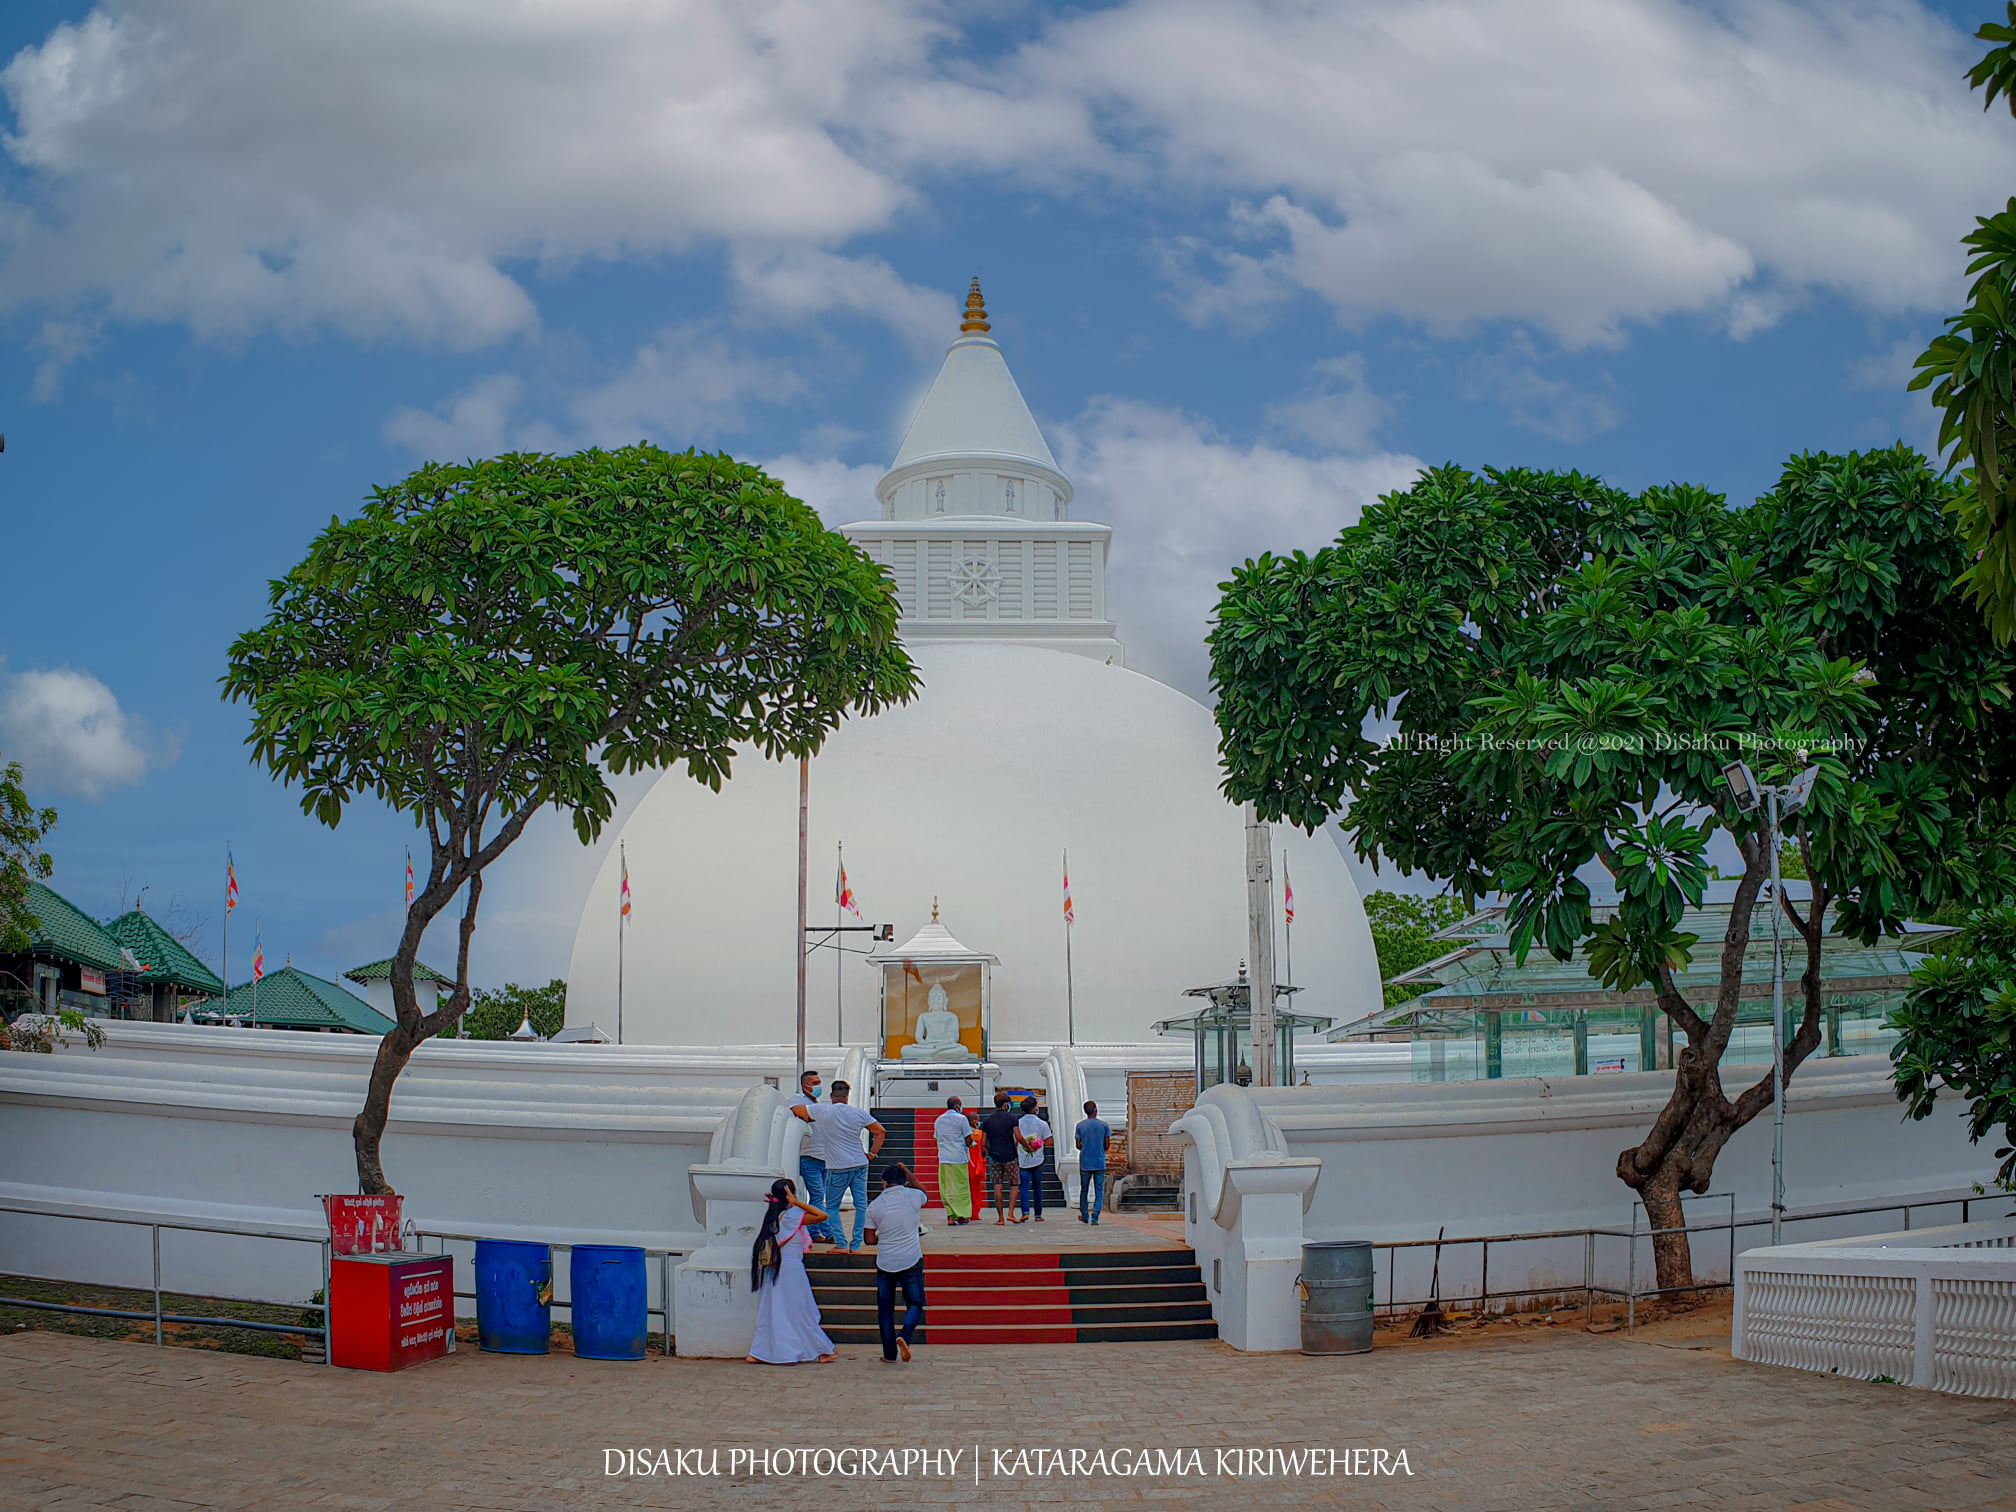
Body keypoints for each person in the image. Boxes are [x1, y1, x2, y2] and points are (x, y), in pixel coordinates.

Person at [745, 1178, 835, 1365]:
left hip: (773, 1269)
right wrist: (797, 1202)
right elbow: (821, 1216)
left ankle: (760, 1352)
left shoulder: (772, 1215)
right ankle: (800, 1350)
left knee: (773, 1311)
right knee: (801, 1311)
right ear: (790, 1194)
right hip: (792, 1269)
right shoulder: (794, 1215)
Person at [792, 1080, 883, 1253]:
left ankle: (841, 1244)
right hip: (860, 1164)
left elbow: (798, 1111)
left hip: (837, 1166)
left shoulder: (822, 1110)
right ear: (847, 1096)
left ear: (831, 1095)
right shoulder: (858, 1113)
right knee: (861, 1206)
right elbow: (880, 1131)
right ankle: (856, 1245)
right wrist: (872, 1153)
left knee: (832, 1206)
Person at [864, 1164, 928, 1364]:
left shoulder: (875, 1206)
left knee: (885, 1309)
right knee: (916, 1303)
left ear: (883, 1183)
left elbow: (869, 1240)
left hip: (885, 1261)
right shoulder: (913, 1196)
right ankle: (905, 1335)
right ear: (904, 1181)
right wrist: (907, 1171)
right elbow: (923, 1190)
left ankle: (889, 1353)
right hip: (911, 1258)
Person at [788, 1069, 838, 1245]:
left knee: (820, 1196)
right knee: (817, 1195)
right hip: (808, 1157)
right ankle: (825, 1232)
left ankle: (816, 1231)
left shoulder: (820, 1103)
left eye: (819, 1082)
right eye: (814, 1083)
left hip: (824, 1158)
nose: (818, 1086)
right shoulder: (798, 1099)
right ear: (805, 1085)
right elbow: (802, 1114)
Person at [978, 1092, 1022, 1226]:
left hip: (995, 1156)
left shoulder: (987, 1121)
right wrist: (1027, 1146)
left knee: (998, 1185)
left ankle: (1000, 1217)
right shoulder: (1012, 1118)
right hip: (1010, 1155)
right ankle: (1011, 1213)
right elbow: (1018, 1137)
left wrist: (986, 1153)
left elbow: (983, 1142)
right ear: (1005, 1104)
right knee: (1014, 1184)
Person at [932, 1096, 976, 1224]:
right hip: (958, 1157)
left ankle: (950, 1215)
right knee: (961, 1188)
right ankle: (963, 1215)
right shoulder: (962, 1119)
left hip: (944, 1158)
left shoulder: (939, 1120)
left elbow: (937, 1137)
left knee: (946, 1188)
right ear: (957, 1106)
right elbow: (968, 1140)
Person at [1015, 1096, 1052, 1223]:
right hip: (1038, 1158)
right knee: (1037, 1187)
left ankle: (1025, 1211)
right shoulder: (1042, 1124)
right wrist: (1038, 1143)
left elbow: (1014, 1140)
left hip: (1022, 1158)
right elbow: (1049, 1141)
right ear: (1035, 1108)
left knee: (1024, 1187)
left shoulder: (1018, 1123)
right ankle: (1038, 1214)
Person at [1076, 1099, 1112, 1226]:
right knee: (1099, 1190)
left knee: (1084, 1190)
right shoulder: (1104, 1126)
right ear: (1095, 1111)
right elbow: (1107, 1144)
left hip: (1085, 1161)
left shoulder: (1080, 1126)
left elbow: (1078, 1145)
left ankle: (1085, 1215)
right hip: (1099, 1161)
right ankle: (1095, 1215)